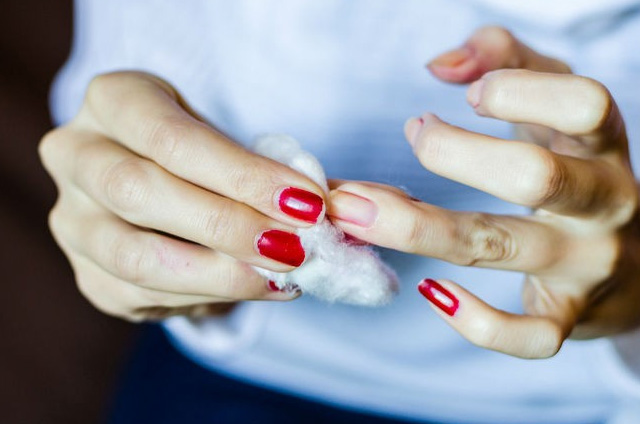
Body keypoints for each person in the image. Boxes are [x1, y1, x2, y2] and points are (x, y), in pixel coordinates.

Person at [39, 0, 640, 422]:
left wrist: (630, 304)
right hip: (256, 369)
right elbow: (128, 80)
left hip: (580, 403)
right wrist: (139, 208)